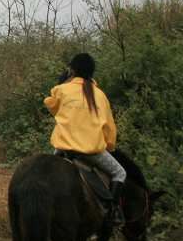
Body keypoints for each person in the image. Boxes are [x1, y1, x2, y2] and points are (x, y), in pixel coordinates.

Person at [44, 53, 125, 225]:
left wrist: (62, 83)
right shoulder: (100, 95)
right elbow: (109, 130)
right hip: (91, 152)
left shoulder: (61, 90)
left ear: (71, 70)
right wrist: (109, 146)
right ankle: (112, 211)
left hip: (63, 149)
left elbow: (51, 105)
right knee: (120, 173)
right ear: (92, 72)